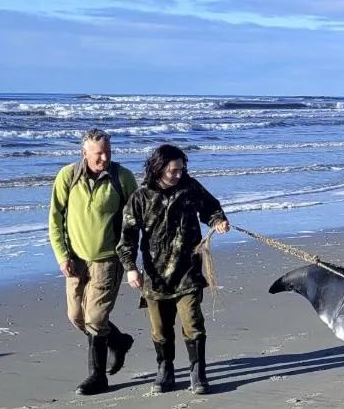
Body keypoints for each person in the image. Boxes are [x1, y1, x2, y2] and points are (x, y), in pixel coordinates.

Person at [117, 143, 229, 395]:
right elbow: (128, 236)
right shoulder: (141, 196)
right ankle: (165, 369)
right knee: (160, 329)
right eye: (174, 170)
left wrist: (218, 220)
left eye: (182, 169)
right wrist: (130, 268)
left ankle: (197, 372)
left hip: (188, 271)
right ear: (159, 168)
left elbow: (211, 207)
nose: (179, 174)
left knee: (192, 323)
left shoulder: (190, 188)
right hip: (155, 276)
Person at [47, 128, 138, 395]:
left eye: (108, 152)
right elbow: (55, 219)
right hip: (75, 260)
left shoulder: (122, 178)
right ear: (83, 153)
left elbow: (136, 217)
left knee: (96, 318)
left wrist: (131, 258)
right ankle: (119, 341)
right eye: (98, 153)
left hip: (109, 259)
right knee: (76, 317)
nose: (104, 158)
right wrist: (62, 255)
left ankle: (97, 377)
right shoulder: (67, 176)